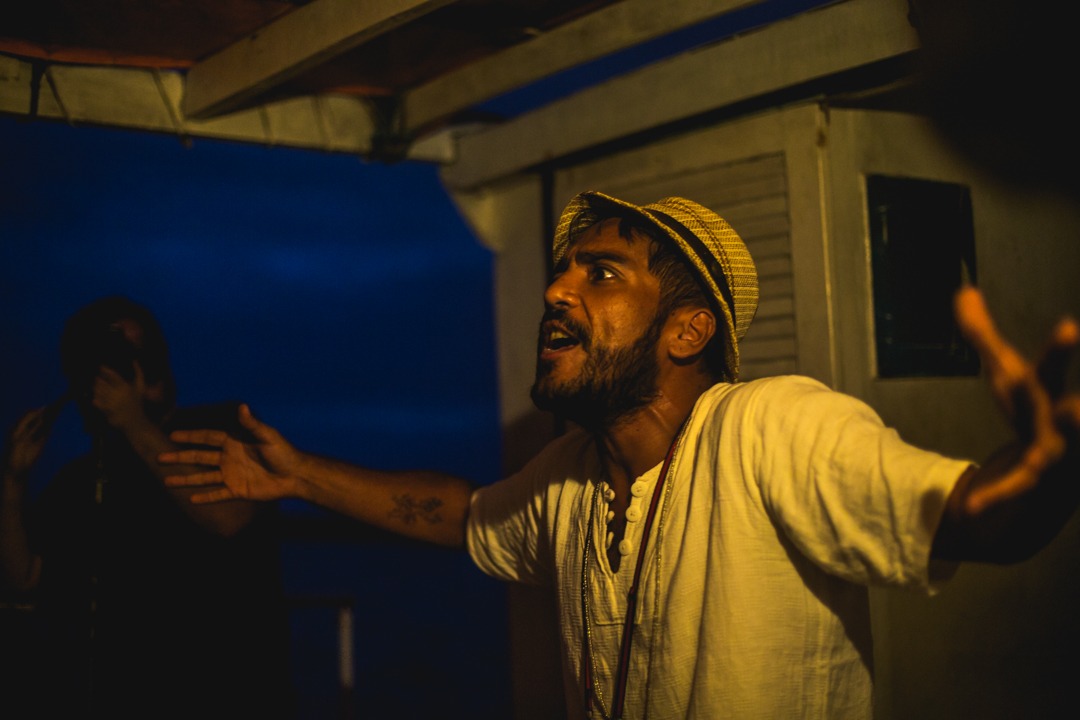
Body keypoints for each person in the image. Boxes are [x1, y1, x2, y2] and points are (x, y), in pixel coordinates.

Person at [160, 192, 1079, 718]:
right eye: (563, 271)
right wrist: (298, 475)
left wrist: (1052, 462)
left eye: (601, 273)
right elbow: (462, 514)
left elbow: (978, 519)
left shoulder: (769, 426)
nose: (556, 291)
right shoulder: (568, 474)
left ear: (687, 330)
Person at [0, 296, 294, 719]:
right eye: (115, 355)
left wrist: (134, 421)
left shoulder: (225, 427)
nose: (137, 365)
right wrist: (12, 482)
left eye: (144, 350)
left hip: (233, 697)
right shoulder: (81, 477)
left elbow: (228, 518)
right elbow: (24, 578)